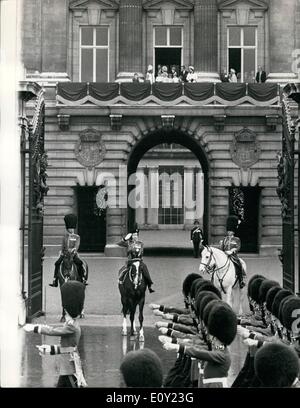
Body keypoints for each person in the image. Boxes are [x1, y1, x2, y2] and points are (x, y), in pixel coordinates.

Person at [23, 281, 87, 388]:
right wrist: (49, 349)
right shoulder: (72, 324)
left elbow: (52, 331)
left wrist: (35, 328)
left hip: (69, 370)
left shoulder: (72, 327)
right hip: (67, 368)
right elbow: (66, 348)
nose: (65, 314)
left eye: (65, 312)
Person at [50, 214, 86, 287]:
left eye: (72, 228)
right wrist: (61, 252)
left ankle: (82, 278)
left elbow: (77, 245)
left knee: (79, 263)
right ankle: (55, 280)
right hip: (65, 254)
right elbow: (63, 246)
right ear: (67, 228)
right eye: (70, 228)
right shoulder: (65, 237)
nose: (71, 229)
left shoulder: (77, 237)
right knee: (57, 263)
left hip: (73, 254)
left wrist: (74, 249)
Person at [118, 226, 155, 293]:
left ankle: (149, 285)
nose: (135, 237)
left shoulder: (140, 243)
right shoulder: (128, 243)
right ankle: (121, 282)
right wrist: (125, 239)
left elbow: (141, 252)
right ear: (131, 236)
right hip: (130, 262)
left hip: (138, 261)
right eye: (134, 235)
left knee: (145, 270)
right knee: (122, 271)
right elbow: (119, 244)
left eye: (136, 235)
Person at [219, 215, 246, 289]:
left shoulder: (237, 239)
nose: (229, 232)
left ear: (233, 231)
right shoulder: (224, 239)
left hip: (233, 256)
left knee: (239, 264)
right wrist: (221, 245)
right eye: (228, 231)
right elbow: (222, 249)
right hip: (225, 256)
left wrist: (233, 251)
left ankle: (241, 280)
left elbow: (238, 247)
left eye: (230, 231)